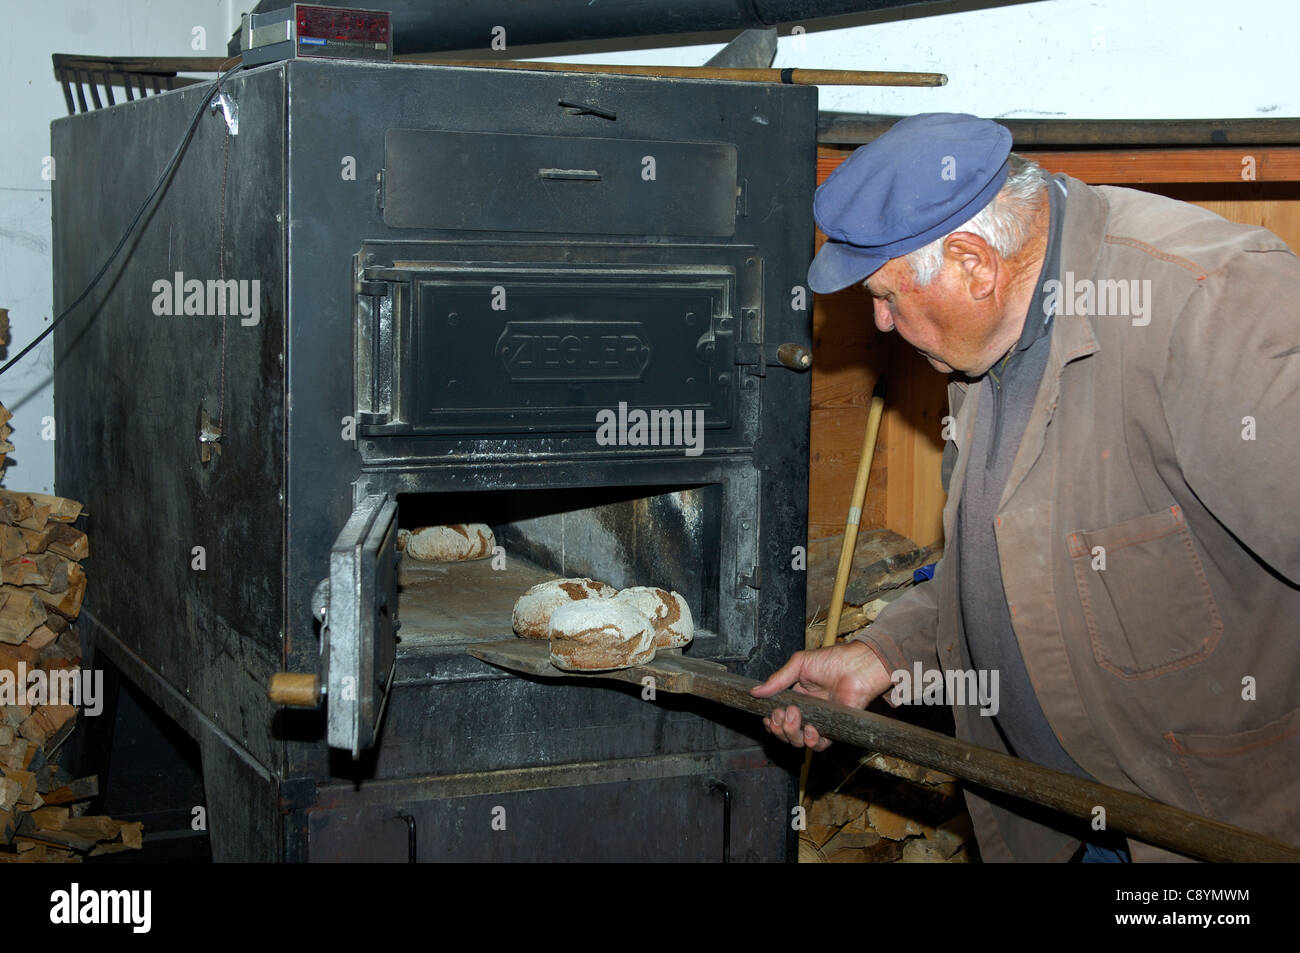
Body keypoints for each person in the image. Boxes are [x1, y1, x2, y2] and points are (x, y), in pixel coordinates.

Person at [753, 112, 1300, 862]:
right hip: (1060, 823)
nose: (878, 323)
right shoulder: (991, 331)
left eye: (885, 295)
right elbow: (1003, 561)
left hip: (1210, 835)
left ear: (974, 262)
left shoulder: (1211, 306)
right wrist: (886, 655)